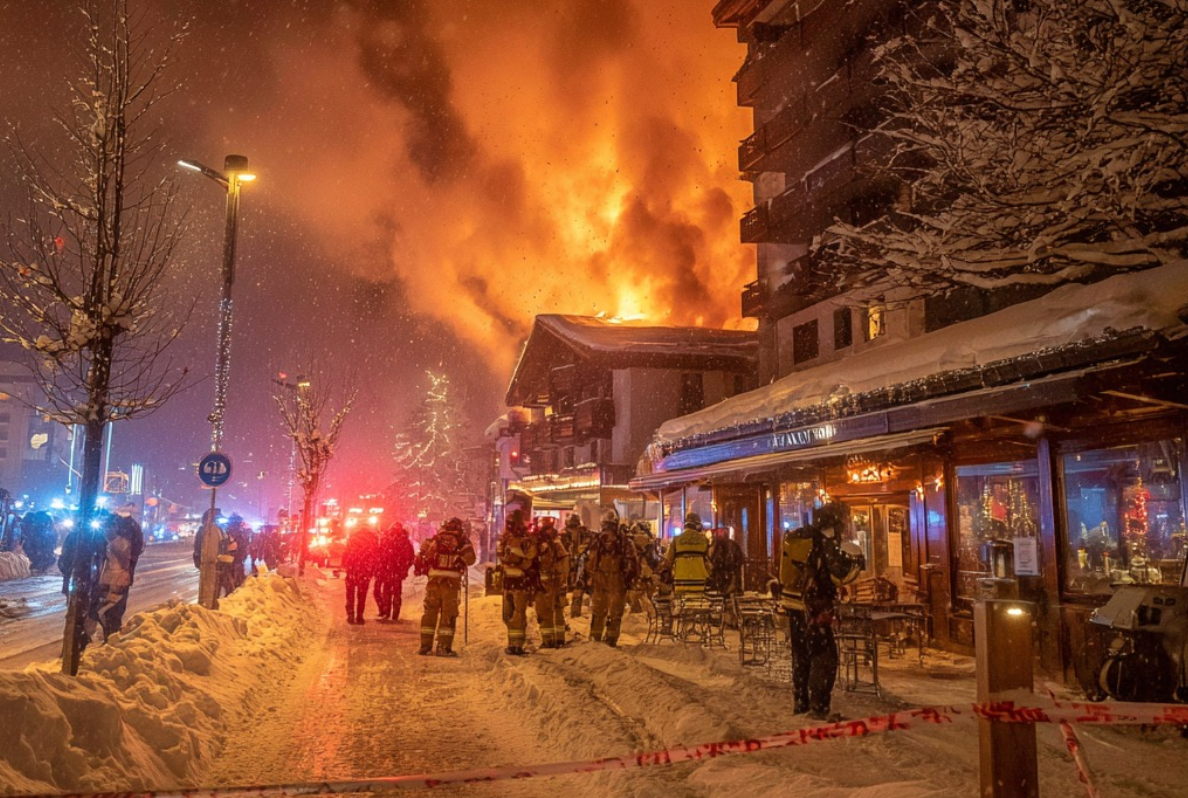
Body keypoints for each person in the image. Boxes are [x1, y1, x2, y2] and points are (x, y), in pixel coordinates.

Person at [778, 501, 863, 721]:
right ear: (835, 521)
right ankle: (819, 705)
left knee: (801, 654)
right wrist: (855, 564)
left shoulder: (802, 537)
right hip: (814, 606)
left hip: (794, 603)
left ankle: (800, 702)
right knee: (824, 655)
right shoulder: (824, 542)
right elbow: (836, 573)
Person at [417, 517, 476, 656]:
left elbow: (422, 555)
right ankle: (443, 647)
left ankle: (425, 646)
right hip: (451, 583)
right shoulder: (462, 541)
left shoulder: (435, 538)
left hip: (434, 582)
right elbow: (471, 559)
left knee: (429, 613)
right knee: (448, 615)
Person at [586, 510, 638, 646]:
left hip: (599, 578)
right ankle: (611, 639)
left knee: (598, 610)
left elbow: (589, 561)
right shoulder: (625, 541)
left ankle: (595, 638)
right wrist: (627, 581)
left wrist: (587, 579)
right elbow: (632, 563)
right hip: (617, 580)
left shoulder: (596, 540)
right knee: (615, 613)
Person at [89, 514, 134, 643]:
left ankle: (112, 641)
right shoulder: (106, 543)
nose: (106, 531)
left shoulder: (121, 543)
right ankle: (110, 638)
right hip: (108, 582)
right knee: (103, 613)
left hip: (116, 583)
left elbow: (124, 562)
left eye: (108, 528)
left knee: (110, 613)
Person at [498, 510, 538, 655]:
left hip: (521, 583)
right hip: (508, 583)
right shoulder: (506, 539)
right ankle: (512, 642)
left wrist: (517, 561)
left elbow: (530, 559)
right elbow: (501, 555)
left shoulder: (526, 539)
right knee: (508, 615)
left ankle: (517, 645)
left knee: (518, 615)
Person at [533, 516, 569, 648]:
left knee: (544, 611)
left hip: (545, 584)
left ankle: (548, 640)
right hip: (556, 582)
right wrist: (563, 579)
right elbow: (565, 563)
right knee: (558, 609)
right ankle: (560, 638)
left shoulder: (541, 543)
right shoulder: (557, 542)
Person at [664, 512, 713, 598]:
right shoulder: (704, 540)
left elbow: (668, 562)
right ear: (698, 525)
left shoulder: (676, 539)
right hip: (700, 583)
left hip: (680, 583)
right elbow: (709, 561)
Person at [376, 522, 416, 621]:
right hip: (397, 571)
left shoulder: (387, 540)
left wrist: (382, 567)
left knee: (387, 592)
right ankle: (395, 615)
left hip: (387, 570)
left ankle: (387, 613)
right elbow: (410, 557)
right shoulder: (405, 541)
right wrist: (404, 568)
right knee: (396, 592)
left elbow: (380, 555)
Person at [342, 522, 381, 625]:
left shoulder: (353, 538)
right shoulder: (373, 540)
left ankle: (350, 615)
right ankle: (360, 616)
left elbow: (346, 553)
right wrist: (373, 569)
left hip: (352, 569)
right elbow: (376, 556)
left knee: (350, 594)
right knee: (362, 595)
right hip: (365, 571)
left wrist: (345, 565)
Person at [708, 526, 745, 625]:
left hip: (724, 578)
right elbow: (741, 561)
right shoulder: (733, 545)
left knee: (724, 597)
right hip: (728, 577)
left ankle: (726, 617)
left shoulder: (718, 546)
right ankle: (730, 617)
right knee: (728, 597)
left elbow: (714, 561)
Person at [563, 513, 593, 618]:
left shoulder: (585, 535)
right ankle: (572, 613)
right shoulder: (565, 535)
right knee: (575, 588)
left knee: (578, 588)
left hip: (581, 565)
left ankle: (574, 613)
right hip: (573, 566)